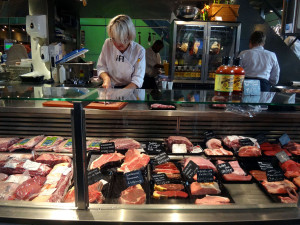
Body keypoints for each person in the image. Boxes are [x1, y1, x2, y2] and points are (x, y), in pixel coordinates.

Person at [97, 15, 146, 89]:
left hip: (130, 90)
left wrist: (122, 94)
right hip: (111, 89)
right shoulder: (108, 44)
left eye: (122, 39)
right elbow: (101, 67)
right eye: (114, 39)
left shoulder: (139, 51)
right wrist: (107, 79)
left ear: (129, 36)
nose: (117, 44)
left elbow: (137, 79)